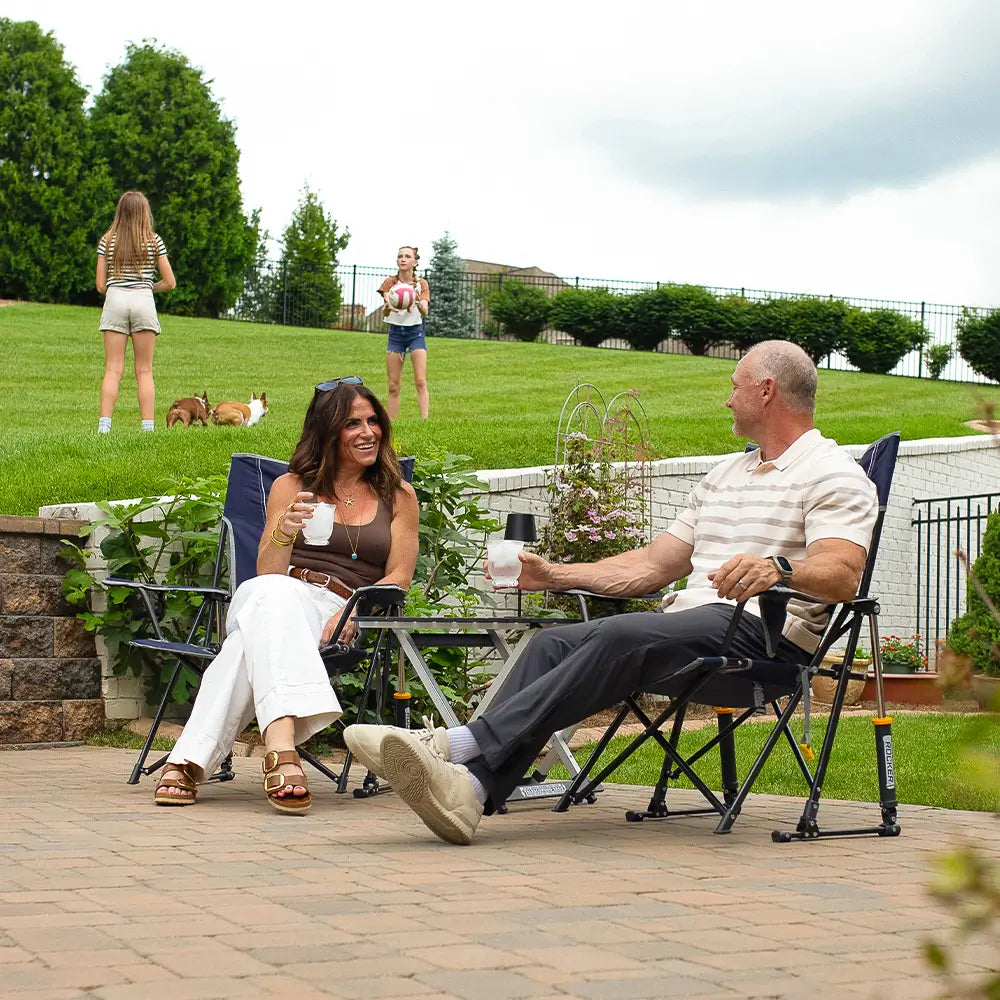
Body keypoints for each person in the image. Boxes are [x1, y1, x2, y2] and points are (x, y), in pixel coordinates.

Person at [344, 340, 880, 844]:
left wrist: (779, 568)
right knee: (551, 644)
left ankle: (454, 746)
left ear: (766, 391)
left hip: (763, 641)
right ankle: (473, 792)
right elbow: (652, 566)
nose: (726, 399)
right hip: (690, 633)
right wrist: (555, 575)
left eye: (734, 387)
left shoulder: (832, 473)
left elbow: (842, 573)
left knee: (622, 633)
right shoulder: (725, 475)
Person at [155, 378, 419, 813]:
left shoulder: (399, 495)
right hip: (282, 591)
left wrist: (357, 609)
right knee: (270, 592)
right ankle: (281, 748)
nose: (368, 431)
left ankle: (186, 761)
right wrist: (283, 529)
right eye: (353, 423)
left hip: (338, 607)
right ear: (328, 431)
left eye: (373, 421)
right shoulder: (291, 487)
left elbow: (399, 576)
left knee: (245, 642)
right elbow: (269, 571)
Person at [95, 191, 176, 434]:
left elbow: (100, 285)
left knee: (112, 368)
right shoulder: (153, 241)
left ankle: (104, 427)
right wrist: (149, 286)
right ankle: (148, 428)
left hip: (115, 300)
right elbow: (170, 282)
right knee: (144, 370)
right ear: (144, 213)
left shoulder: (107, 241)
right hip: (143, 301)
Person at [378, 246, 430, 420]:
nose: (403, 259)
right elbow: (386, 312)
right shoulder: (390, 283)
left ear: (415, 262)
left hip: (415, 333)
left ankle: (425, 421)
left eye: (407, 256)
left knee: (420, 380)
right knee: (393, 385)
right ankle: (390, 424)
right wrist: (386, 309)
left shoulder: (421, 284)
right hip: (395, 334)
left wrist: (419, 303)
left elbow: (425, 311)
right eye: (400, 256)